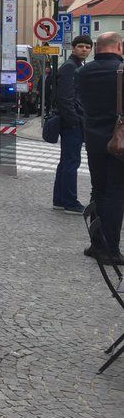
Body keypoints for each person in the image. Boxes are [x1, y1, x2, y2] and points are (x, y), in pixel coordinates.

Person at [79, 32, 124, 264]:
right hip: (119, 142)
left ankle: (96, 244)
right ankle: (111, 250)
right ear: (118, 46)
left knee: (98, 191)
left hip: (93, 141)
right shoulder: (121, 70)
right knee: (116, 193)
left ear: (97, 48)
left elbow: (79, 103)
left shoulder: (82, 72)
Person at [51, 35, 93, 213]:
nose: (84, 49)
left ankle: (60, 200)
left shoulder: (77, 65)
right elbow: (65, 98)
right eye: (81, 46)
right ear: (74, 48)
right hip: (71, 123)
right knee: (71, 162)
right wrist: (74, 121)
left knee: (66, 161)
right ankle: (70, 202)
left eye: (87, 47)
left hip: (72, 121)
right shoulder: (70, 67)